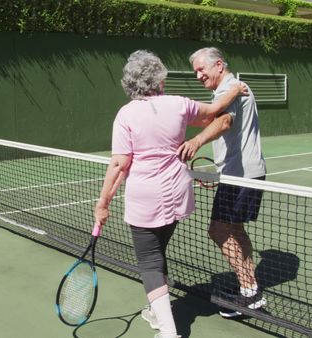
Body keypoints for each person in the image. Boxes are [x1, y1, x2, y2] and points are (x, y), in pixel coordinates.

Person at [94, 50, 247, 338]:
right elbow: (214, 110)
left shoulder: (126, 114)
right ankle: (156, 310)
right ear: (159, 79)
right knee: (157, 250)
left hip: (145, 199)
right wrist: (236, 89)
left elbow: (119, 165)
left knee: (149, 262)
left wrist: (102, 204)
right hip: (177, 194)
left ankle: (168, 331)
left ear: (130, 83)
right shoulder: (178, 104)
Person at [177, 47, 267, 318]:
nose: (198, 75)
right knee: (234, 230)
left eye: (201, 69)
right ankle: (249, 291)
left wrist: (196, 141)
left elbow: (224, 122)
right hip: (245, 173)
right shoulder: (232, 88)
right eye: (195, 71)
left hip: (239, 176)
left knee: (218, 230)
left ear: (218, 65)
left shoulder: (230, 88)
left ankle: (250, 292)